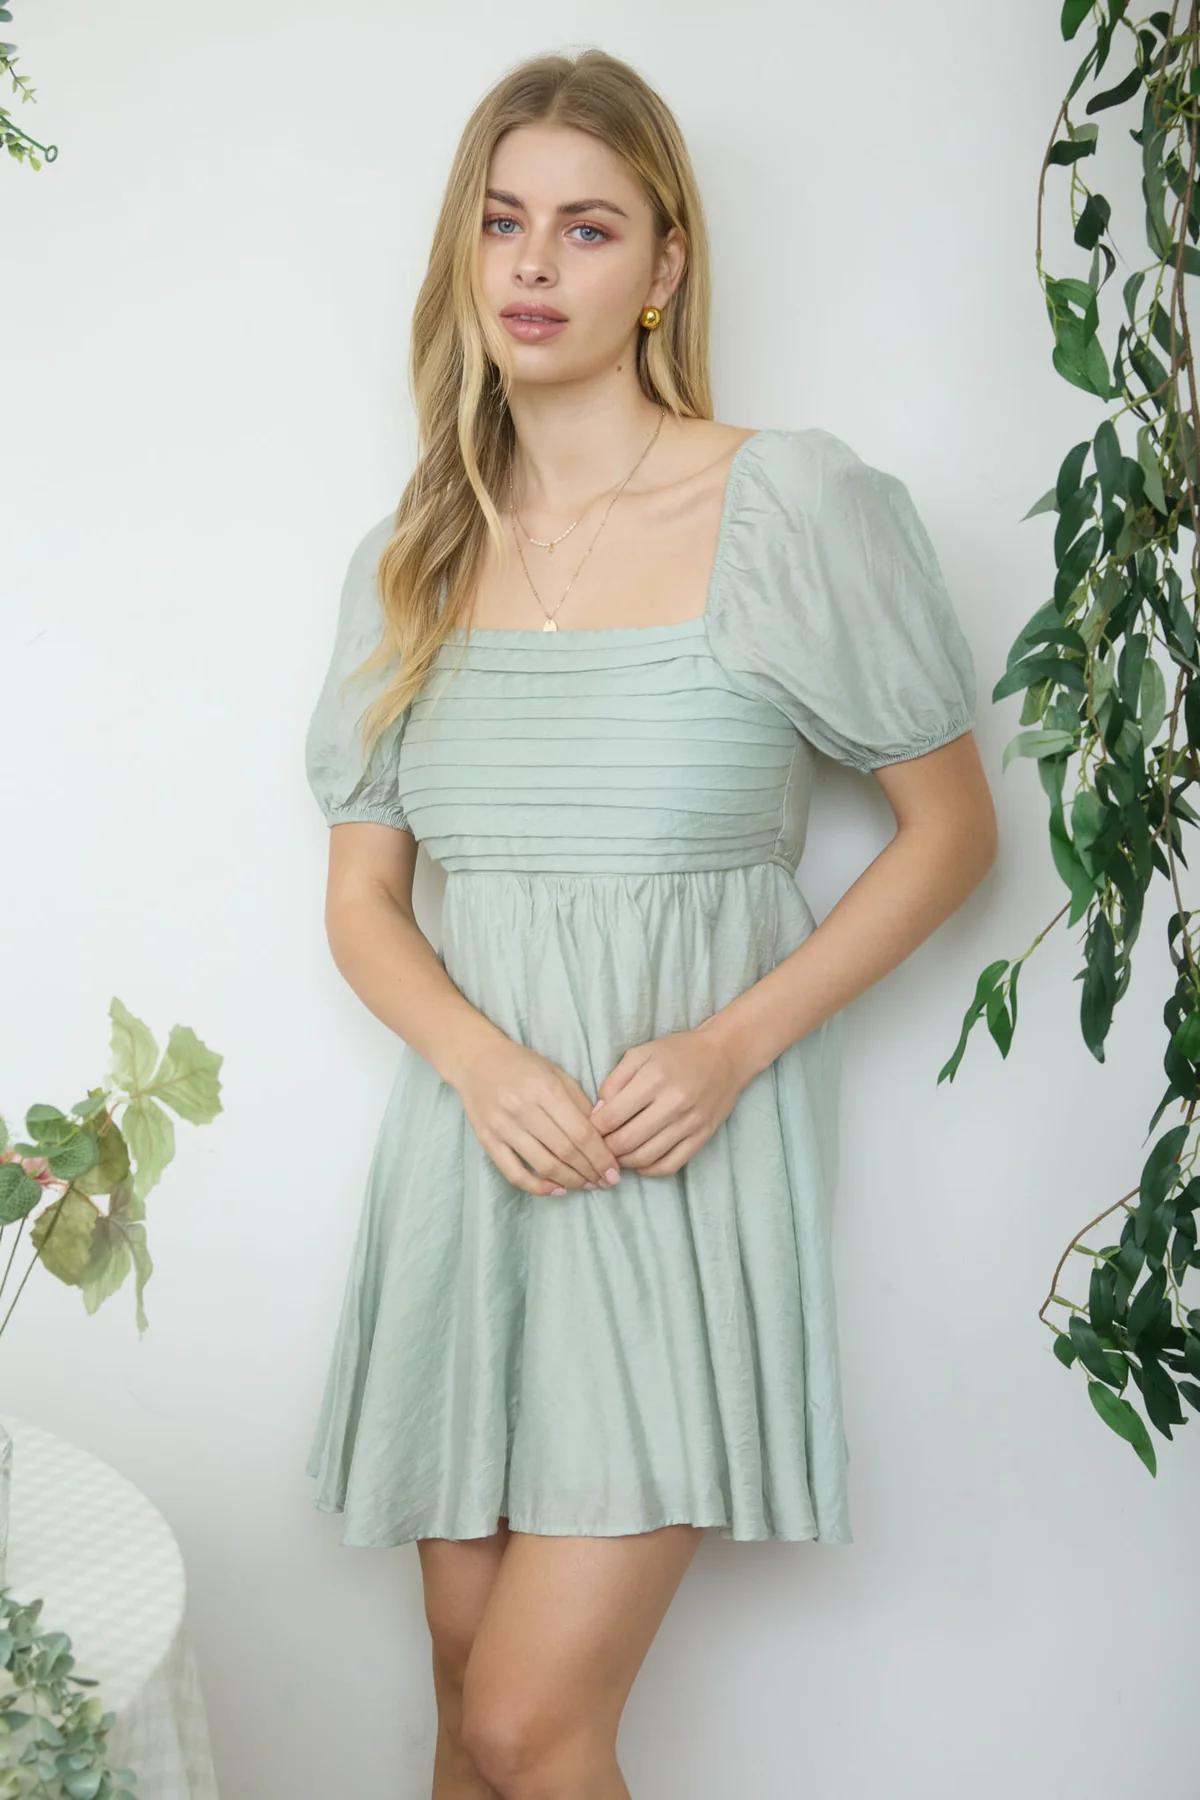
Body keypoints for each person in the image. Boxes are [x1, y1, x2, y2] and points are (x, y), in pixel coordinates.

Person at [303, 45, 997, 1800]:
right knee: (469, 1706)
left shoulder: (790, 504)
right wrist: (470, 1059)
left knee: (538, 1725)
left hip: (668, 1173)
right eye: (504, 221)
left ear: (665, 265)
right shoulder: (416, 549)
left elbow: (951, 831)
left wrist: (729, 1042)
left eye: (589, 227)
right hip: (478, 1163)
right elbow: (366, 898)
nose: (535, 267)